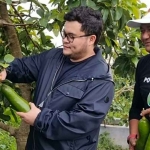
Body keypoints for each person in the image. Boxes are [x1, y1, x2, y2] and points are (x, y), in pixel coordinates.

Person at [0, 6, 114, 150]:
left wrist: (40, 119)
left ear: (91, 39)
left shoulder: (101, 79)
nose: (65, 40)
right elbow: (25, 66)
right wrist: (6, 71)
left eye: (71, 36)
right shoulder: (53, 57)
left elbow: (79, 122)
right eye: (64, 34)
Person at [127, 10, 150, 150]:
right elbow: (136, 107)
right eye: (143, 31)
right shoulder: (143, 64)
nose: (145, 36)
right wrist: (133, 137)